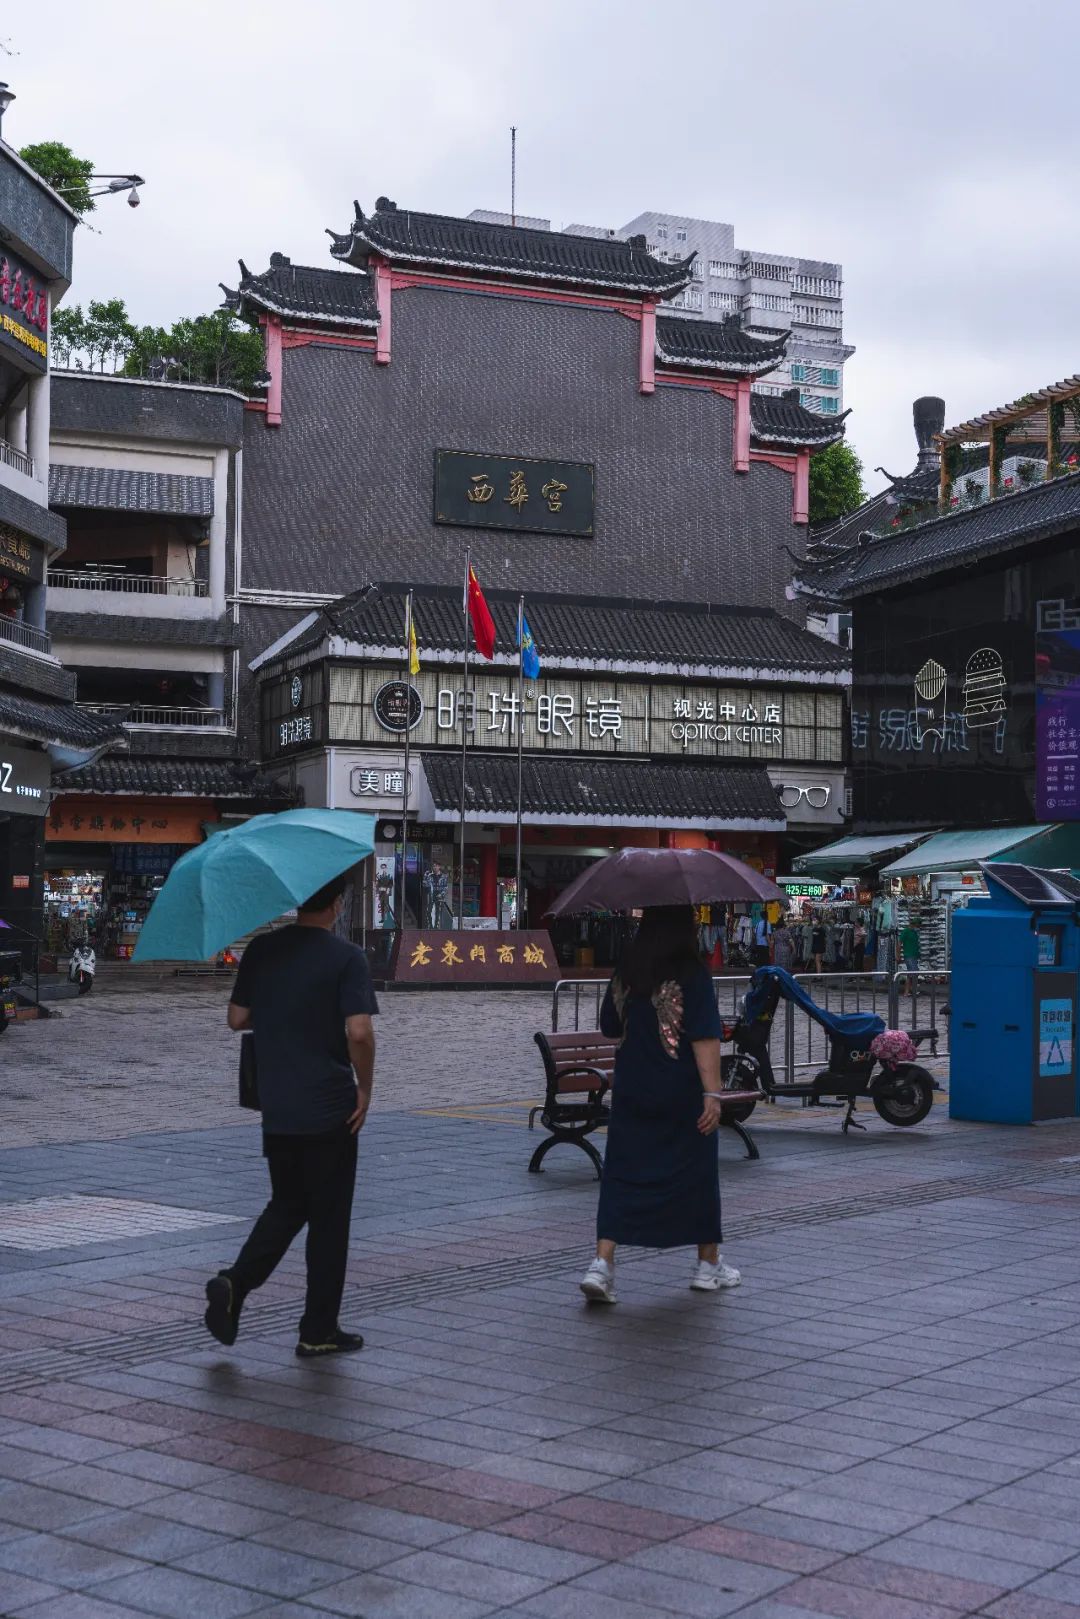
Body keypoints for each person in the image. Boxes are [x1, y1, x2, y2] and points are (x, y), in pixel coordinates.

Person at [204, 872, 377, 1359]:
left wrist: (282, 1010)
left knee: (288, 1204)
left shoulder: (262, 949)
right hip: (330, 1108)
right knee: (329, 1221)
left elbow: (237, 1018)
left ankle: (236, 1282)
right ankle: (318, 1329)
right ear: (337, 905)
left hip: (277, 1104)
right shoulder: (347, 957)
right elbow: (359, 1032)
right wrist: (365, 1087)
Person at [579, 905, 741, 1305]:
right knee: (698, 1173)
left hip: (632, 1089)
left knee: (621, 1174)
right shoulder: (692, 972)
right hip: (681, 1093)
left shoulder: (628, 970)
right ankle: (707, 1264)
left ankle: (602, 1264)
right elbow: (705, 1037)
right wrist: (713, 1094)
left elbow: (609, 1026)